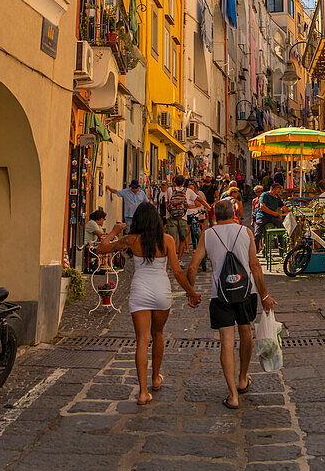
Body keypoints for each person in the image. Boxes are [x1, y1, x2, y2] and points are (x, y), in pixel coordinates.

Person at [97, 203, 201, 404]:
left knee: (142, 340)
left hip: (140, 291)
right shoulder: (167, 240)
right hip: (161, 291)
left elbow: (102, 249)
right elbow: (178, 272)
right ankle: (155, 378)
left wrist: (114, 231)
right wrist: (192, 292)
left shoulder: (131, 240)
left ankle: (143, 392)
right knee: (158, 334)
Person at [186, 197, 276, 410]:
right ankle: (243, 378)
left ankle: (233, 395)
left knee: (226, 342)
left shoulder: (208, 235)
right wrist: (264, 296)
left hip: (221, 295)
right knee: (246, 334)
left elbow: (191, 267)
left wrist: (191, 292)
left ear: (215, 215)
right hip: (247, 292)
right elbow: (255, 266)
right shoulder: (245, 232)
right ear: (234, 213)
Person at [253, 181, 288, 251]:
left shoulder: (277, 197)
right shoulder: (264, 195)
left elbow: (284, 207)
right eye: (277, 192)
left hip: (272, 217)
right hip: (262, 216)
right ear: (273, 190)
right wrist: (273, 213)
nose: (278, 193)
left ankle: (281, 245)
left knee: (282, 227)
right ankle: (255, 249)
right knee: (257, 233)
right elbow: (262, 207)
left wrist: (289, 210)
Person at [165, 174, 188, 256]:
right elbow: (198, 199)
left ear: (174, 182)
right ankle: (179, 259)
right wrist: (207, 206)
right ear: (184, 182)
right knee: (182, 239)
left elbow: (166, 203)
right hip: (183, 217)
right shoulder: (187, 190)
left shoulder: (169, 190)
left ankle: (172, 258)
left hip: (171, 217)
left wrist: (170, 211)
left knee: (171, 239)